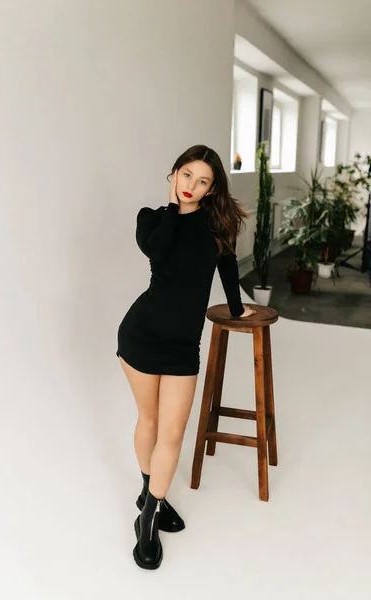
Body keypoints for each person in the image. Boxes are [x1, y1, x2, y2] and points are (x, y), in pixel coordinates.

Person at [116, 144, 256, 570]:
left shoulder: (217, 227)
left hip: (182, 347)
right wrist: (176, 208)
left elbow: (228, 268)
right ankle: (151, 505)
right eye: (187, 176)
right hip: (141, 335)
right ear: (173, 174)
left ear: (212, 189)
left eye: (203, 181)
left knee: (173, 432)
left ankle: (149, 508)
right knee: (151, 421)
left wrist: (235, 308)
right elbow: (158, 251)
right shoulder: (152, 219)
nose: (193, 186)